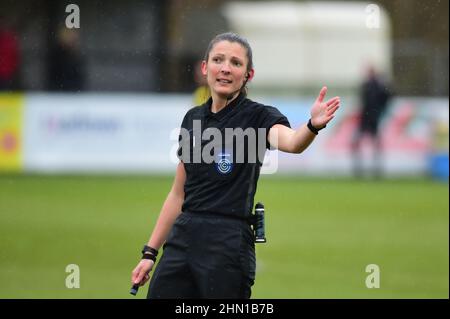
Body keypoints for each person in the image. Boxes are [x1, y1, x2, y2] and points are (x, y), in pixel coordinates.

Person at [131, 32, 340, 298]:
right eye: (218, 60)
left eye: (236, 63)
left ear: (248, 75)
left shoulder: (258, 116)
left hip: (228, 243)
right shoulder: (192, 118)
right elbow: (177, 193)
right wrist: (150, 252)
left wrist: (311, 126)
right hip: (182, 240)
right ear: (206, 67)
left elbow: (292, 142)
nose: (226, 68)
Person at [352, 66, 392, 178]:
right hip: (369, 118)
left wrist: (379, 111)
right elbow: (387, 98)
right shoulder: (375, 86)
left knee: (370, 144)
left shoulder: (375, 86)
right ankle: (370, 170)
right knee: (371, 144)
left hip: (370, 119)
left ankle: (370, 170)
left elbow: (387, 98)